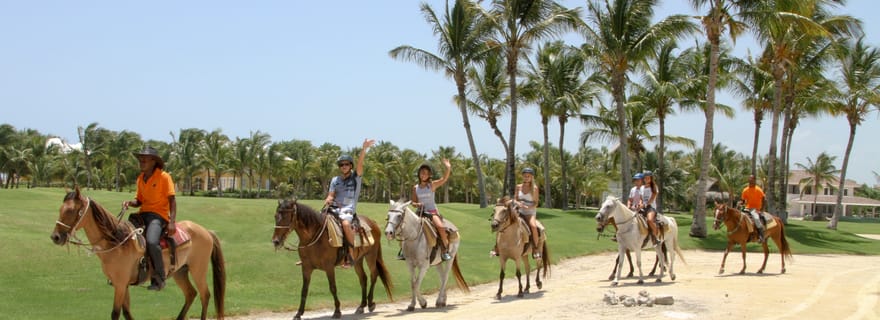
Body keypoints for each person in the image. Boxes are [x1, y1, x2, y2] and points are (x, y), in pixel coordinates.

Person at [122, 146, 176, 291]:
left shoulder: (164, 177)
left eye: (145, 159)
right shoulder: (140, 178)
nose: (141, 161)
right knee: (124, 237)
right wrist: (129, 203)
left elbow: (172, 200)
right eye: (140, 159)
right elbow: (138, 200)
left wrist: (172, 222)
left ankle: (159, 279)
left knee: (152, 242)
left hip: (158, 216)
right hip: (142, 214)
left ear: (153, 161)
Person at [324, 138, 375, 268]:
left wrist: (364, 149)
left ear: (350, 166)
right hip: (334, 207)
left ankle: (351, 254)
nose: (344, 167)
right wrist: (329, 199)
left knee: (346, 224)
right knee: (318, 221)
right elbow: (331, 194)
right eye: (341, 165)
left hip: (348, 209)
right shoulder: (335, 180)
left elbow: (360, 165)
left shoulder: (355, 178)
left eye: (346, 164)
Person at [409, 159, 453, 261]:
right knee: (404, 225)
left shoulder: (432, 185)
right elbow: (413, 202)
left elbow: (444, 179)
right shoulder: (415, 188)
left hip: (432, 212)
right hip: (420, 212)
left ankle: (445, 250)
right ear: (419, 174)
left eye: (425, 173)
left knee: (440, 227)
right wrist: (417, 204)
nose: (423, 175)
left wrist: (448, 167)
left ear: (429, 175)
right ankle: (403, 250)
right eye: (421, 172)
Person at [514, 167, 542, 259]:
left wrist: (528, 207)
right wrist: (518, 203)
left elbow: (536, 203)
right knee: (504, 222)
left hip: (530, 212)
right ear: (522, 176)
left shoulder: (534, 188)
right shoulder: (518, 187)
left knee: (533, 226)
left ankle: (536, 249)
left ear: (532, 177)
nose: (526, 178)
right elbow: (515, 199)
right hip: (519, 210)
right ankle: (497, 247)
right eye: (525, 176)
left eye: (528, 176)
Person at [740, 175, 766, 243]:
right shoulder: (745, 190)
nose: (750, 181)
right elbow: (743, 200)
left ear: (754, 180)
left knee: (756, 219)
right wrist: (740, 203)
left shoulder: (758, 189)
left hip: (756, 209)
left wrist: (762, 209)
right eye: (749, 180)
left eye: (752, 180)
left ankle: (761, 235)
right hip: (747, 208)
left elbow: (763, 199)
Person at [641, 171, 660, 244]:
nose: (647, 179)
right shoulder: (642, 187)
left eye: (648, 178)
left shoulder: (654, 187)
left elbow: (652, 198)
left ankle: (656, 236)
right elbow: (641, 198)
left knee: (649, 220)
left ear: (651, 178)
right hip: (643, 207)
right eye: (645, 178)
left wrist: (645, 204)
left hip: (651, 207)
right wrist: (640, 204)